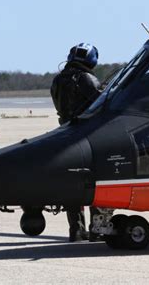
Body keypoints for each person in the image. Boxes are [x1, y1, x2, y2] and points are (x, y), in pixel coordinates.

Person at [50, 42, 102, 242]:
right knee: (98, 181)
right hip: (88, 135)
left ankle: (76, 229)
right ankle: (98, 228)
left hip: (65, 132)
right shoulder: (87, 78)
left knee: (72, 183)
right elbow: (102, 102)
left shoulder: (58, 80)